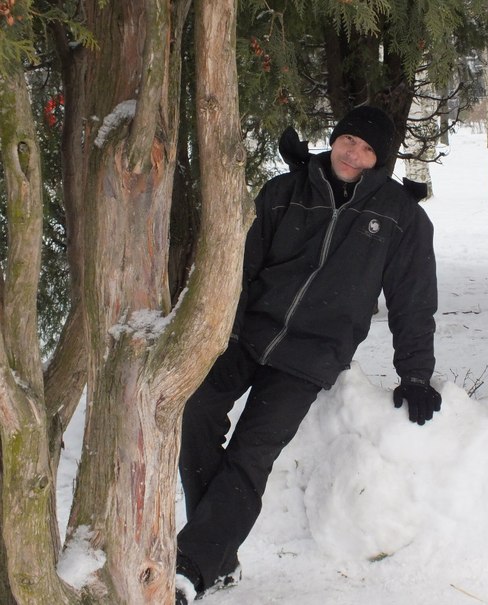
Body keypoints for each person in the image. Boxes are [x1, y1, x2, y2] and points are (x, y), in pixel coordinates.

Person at [175, 106, 441, 604]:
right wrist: (225, 331)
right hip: (246, 336)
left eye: (367, 149)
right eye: (348, 140)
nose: (353, 154)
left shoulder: (400, 216)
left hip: (311, 355)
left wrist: (415, 375)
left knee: (253, 451)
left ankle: (190, 566)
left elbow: (414, 300)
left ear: (380, 159)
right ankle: (218, 556)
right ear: (335, 138)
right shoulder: (285, 191)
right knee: (195, 411)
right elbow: (240, 266)